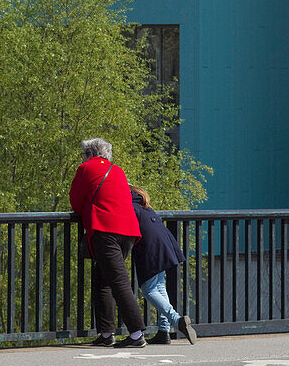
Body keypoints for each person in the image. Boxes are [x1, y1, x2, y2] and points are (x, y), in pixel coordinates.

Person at [69, 137, 146, 348]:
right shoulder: (117, 170)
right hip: (128, 231)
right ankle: (106, 333)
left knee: (118, 281)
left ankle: (137, 334)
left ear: (90, 154)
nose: (82, 158)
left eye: (84, 154)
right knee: (102, 279)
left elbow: (75, 201)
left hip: (106, 229)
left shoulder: (86, 169)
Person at [130, 185, 197, 345]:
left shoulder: (129, 205)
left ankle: (177, 320)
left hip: (150, 248)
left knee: (149, 290)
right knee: (159, 287)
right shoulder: (142, 204)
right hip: (164, 244)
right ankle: (163, 331)